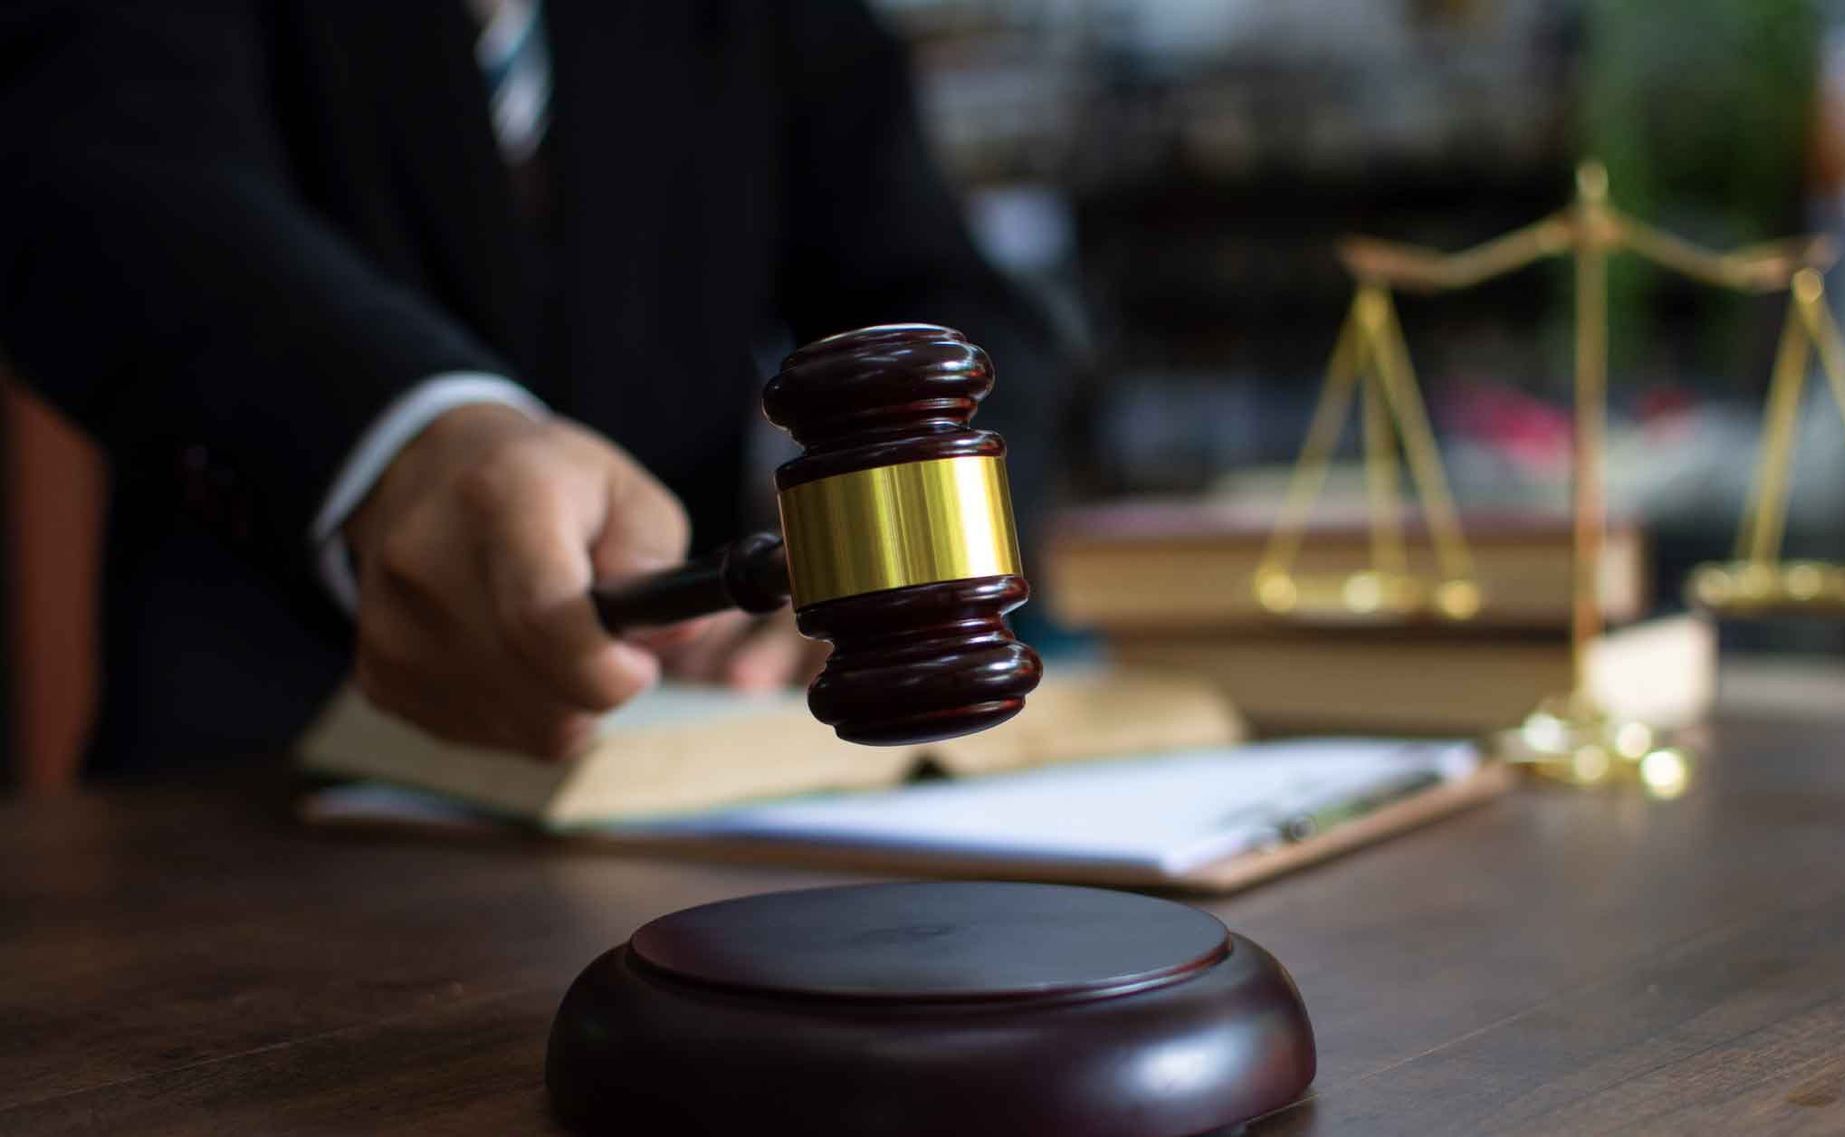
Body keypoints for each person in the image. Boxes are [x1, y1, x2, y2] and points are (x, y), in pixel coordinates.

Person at [0, 0, 1062, 773]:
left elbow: (946, 294)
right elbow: (86, 153)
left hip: (683, 757)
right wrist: (409, 434)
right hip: (259, 777)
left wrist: (896, 552)